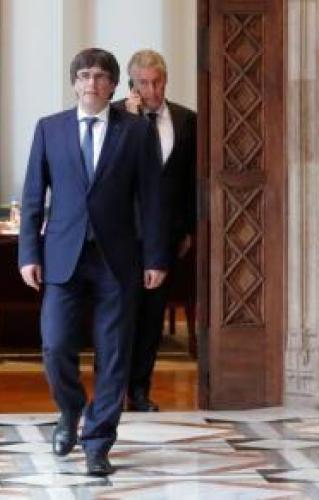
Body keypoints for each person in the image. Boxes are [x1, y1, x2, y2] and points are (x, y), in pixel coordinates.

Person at [18, 48, 168, 476]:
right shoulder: (49, 129)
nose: (92, 83)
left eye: (101, 76)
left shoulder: (136, 132)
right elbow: (33, 196)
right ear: (74, 83)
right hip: (62, 257)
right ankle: (70, 410)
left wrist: (156, 257)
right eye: (84, 75)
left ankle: (98, 442)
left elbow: (153, 200)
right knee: (55, 345)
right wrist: (28, 254)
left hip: (117, 261)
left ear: (114, 85)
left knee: (114, 354)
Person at [116, 49, 196, 412]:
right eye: (144, 83)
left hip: (163, 236)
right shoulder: (115, 117)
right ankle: (111, 393)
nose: (151, 90)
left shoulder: (186, 120)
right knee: (116, 317)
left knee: (151, 319)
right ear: (132, 84)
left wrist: (188, 229)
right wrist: (130, 120)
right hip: (119, 236)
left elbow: (191, 181)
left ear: (166, 80)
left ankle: (139, 392)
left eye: (157, 82)